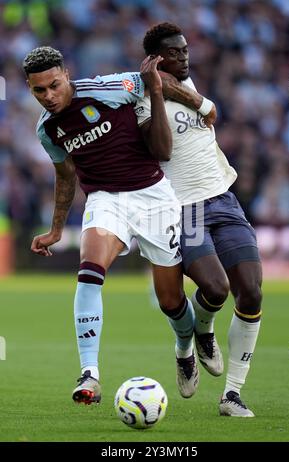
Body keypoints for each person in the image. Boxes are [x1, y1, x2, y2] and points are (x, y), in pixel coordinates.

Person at [23, 46, 205, 405]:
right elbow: (65, 174)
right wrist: (56, 229)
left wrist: (203, 104)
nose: (48, 96)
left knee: (171, 301)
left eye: (54, 85)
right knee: (89, 271)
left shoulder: (108, 87)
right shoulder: (47, 130)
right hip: (105, 200)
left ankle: (185, 347)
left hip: (153, 197)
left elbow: (160, 83)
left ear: (66, 74)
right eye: (39, 91)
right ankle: (89, 374)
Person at [136, 23, 263, 417]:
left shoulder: (191, 84)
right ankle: (191, 342)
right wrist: (160, 92)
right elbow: (161, 148)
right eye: (175, 53)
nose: (185, 57)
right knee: (215, 287)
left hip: (224, 198)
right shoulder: (140, 98)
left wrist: (182, 92)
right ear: (157, 60)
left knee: (253, 292)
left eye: (186, 50)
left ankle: (232, 395)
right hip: (184, 208)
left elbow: (212, 113)